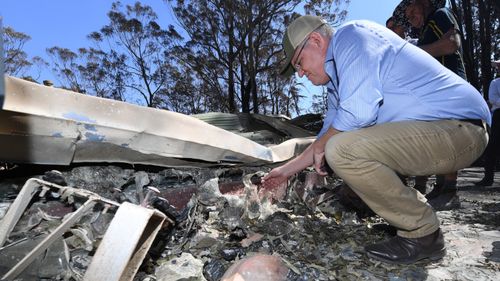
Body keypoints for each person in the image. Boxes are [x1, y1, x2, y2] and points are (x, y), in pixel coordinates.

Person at [261, 15, 490, 264]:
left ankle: (422, 233)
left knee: (342, 150)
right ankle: (411, 219)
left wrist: (324, 145)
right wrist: (283, 172)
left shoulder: (351, 36)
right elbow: (322, 142)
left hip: (462, 128)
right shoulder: (337, 84)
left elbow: (358, 113)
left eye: (299, 63)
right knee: (336, 146)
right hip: (442, 132)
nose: (301, 74)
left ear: (315, 40)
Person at [398, 0, 467, 200]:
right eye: (408, 16)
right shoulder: (425, 30)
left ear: (424, 3)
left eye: (412, 11)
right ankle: (441, 185)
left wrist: (417, 53)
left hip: (450, 84)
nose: (410, 18)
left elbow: (451, 43)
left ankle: (450, 189)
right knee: (437, 137)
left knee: (449, 135)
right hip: (435, 90)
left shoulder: (440, 14)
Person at [475, 60, 500, 186]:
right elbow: (493, 99)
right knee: (493, 145)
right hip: (499, 115)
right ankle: (488, 177)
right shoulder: (495, 83)